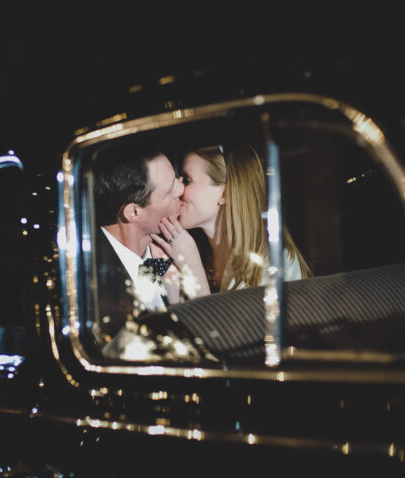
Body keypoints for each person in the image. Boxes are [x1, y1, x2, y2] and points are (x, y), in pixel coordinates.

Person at [151, 143, 311, 301]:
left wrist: (194, 268)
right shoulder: (190, 251)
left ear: (224, 193)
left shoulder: (274, 264)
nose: (178, 189)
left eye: (187, 180)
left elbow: (224, 327)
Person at [92, 140, 185, 348]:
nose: (181, 188)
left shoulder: (165, 252)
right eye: (170, 190)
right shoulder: (93, 287)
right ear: (133, 212)